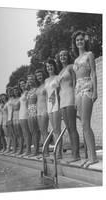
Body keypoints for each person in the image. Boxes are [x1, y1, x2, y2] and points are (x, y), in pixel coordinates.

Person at [72, 30, 98, 167]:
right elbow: (76, 79)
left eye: (81, 39)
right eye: (77, 40)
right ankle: (90, 155)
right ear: (75, 43)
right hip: (78, 91)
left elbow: (94, 73)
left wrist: (95, 91)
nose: (80, 41)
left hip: (88, 87)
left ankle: (93, 157)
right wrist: (75, 97)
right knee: (83, 124)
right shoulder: (75, 60)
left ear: (84, 41)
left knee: (86, 123)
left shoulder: (90, 54)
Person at [56, 49, 80, 162]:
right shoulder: (60, 71)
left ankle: (76, 155)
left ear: (67, 56)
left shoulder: (71, 67)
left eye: (64, 55)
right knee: (68, 129)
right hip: (63, 101)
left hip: (70, 97)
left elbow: (75, 82)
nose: (63, 57)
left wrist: (76, 99)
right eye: (61, 55)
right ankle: (73, 154)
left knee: (73, 127)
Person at [44, 59, 62, 159]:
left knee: (57, 129)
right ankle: (57, 150)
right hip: (49, 105)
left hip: (57, 104)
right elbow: (47, 95)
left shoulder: (58, 77)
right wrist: (48, 108)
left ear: (54, 66)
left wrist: (59, 105)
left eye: (51, 66)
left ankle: (58, 152)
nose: (49, 68)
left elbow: (60, 92)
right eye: (47, 66)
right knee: (54, 129)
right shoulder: (46, 80)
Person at [35, 69, 49, 156]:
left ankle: (46, 152)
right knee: (41, 131)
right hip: (38, 111)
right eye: (37, 76)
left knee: (44, 131)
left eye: (40, 75)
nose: (39, 77)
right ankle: (45, 151)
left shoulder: (46, 85)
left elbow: (48, 97)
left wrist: (48, 110)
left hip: (44, 110)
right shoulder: (38, 87)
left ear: (43, 75)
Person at [27, 74, 40, 156]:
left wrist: (36, 112)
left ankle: (36, 150)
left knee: (35, 132)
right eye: (29, 79)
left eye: (31, 79)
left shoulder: (37, 90)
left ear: (34, 80)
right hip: (29, 111)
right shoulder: (29, 91)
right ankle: (35, 149)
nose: (30, 81)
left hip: (35, 110)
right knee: (32, 132)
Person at [18, 78, 32, 156]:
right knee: (25, 133)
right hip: (21, 114)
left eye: (23, 83)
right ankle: (27, 149)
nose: (22, 85)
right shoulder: (22, 93)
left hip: (26, 113)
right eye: (20, 84)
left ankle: (28, 150)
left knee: (27, 133)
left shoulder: (27, 92)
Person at [12, 86, 24, 155]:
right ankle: (19, 148)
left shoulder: (20, 98)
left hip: (19, 115)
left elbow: (16, 107)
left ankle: (21, 149)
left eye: (16, 90)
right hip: (14, 117)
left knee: (20, 133)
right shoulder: (13, 99)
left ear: (19, 91)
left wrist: (15, 107)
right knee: (17, 134)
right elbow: (13, 108)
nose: (15, 92)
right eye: (14, 91)